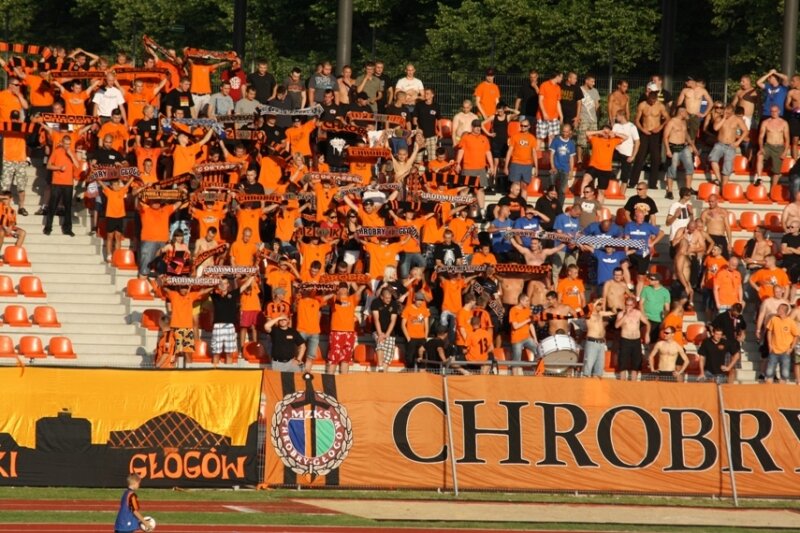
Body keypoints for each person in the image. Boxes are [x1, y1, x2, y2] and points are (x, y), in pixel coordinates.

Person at [630, 89, 670, 190]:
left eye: (654, 100)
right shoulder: (642, 105)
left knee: (655, 159)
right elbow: (637, 120)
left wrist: (660, 127)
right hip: (645, 132)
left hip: (655, 133)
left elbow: (667, 118)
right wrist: (642, 129)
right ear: (648, 98)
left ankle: (653, 184)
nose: (652, 102)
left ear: (656, 99)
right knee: (639, 158)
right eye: (650, 100)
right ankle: (633, 182)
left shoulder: (660, 106)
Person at [44, 135, 80, 237]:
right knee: (52, 206)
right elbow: (48, 166)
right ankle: (48, 227)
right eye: (66, 144)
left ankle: (67, 229)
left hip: (68, 184)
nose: (67, 146)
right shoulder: (56, 152)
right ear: (62, 143)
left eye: (69, 144)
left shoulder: (72, 153)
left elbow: (78, 166)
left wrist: (71, 155)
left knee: (68, 207)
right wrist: (59, 168)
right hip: (57, 183)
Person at [581, 125, 626, 201]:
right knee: (585, 179)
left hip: (606, 169)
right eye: (604, 131)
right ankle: (582, 198)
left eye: (607, 132)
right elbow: (587, 133)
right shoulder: (595, 139)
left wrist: (614, 133)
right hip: (594, 166)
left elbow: (626, 137)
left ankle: (598, 206)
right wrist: (600, 132)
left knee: (601, 191)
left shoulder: (613, 141)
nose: (605, 133)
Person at [708, 104, 748, 187]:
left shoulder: (737, 119)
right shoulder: (719, 118)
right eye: (725, 112)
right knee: (713, 159)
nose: (727, 114)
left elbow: (745, 131)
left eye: (729, 113)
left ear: (733, 112)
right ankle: (719, 180)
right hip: (720, 144)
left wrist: (738, 142)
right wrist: (723, 118)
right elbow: (716, 128)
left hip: (730, 146)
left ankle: (723, 187)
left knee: (727, 168)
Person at [663, 106, 698, 196]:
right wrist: (667, 150)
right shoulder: (672, 122)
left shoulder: (684, 122)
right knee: (672, 168)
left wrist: (693, 146)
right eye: (686, 112)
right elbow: (665, 136)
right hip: (674, 146)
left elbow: (686, 134)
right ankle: (669, 191)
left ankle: (688, 188)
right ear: (681, 112)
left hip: (683, 146)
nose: (687, 114)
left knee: (690, 167)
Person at [755, 104, 790, 191]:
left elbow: (787, 138)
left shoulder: (784, 123)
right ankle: (759, 177)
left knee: (776, 171)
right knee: (759, 155)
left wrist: (785, 151)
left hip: (779, 147)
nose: (774, 113)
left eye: (775, 111)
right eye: (772, 111)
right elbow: (760, 136)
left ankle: (773, 190)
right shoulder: (766, 122)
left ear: (779, 111)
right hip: (768, 145)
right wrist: (761, 147)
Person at [615, 296, 649, 380]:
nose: (628, 307)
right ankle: (622, 381)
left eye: (630, 305)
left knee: (636, 363)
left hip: (636, 340)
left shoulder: (638, 313)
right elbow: (617, 326)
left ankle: (633, 383)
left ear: (633, 305)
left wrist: (647, 334)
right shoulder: (621, 314)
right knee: (623, 362)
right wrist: (625, 315)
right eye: (627, 305)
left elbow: (648, 323)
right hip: (625, 340)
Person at [766, 303, 798, 383]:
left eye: (779, 308)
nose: (777, 309)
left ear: (784, 311)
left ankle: (782, 385)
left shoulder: (790, 322)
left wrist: (791, 348)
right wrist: (769, 344)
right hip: (774, 349)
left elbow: (796, 335)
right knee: (769, 371)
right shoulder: (774, 319)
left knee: (785, 373)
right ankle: (768, 385)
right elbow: (769, 332)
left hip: (785, 351)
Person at [583, 298, 614, 378]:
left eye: (601, 305)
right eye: (598, 305)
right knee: (589, 364)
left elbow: (613, 312)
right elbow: (587, 310)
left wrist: (612, 303)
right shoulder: (588, 315)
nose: (600, 306)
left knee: (599, 366)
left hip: (601, 342)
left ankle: (597, 380)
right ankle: (586, 380)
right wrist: (596, 302)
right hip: (592, 342)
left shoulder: (600, 314)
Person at [612, 109, 640, 193]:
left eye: (617, 116)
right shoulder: (616, 126)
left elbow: (637, 142)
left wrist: (633, 156)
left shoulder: (632, 127)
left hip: (627, 153)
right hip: (616, 151)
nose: (615, 117)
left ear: (622, 116)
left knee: (625, 175)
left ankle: (622, 193)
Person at [640, 273, 670, 344]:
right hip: (645, 317)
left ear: (657, 281)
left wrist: (664, 320)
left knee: (652, 340)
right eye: (649, 278)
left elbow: (667, 308)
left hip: (657, 319)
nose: (649, 280)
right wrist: (643, 315)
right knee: (643, 337)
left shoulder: (665, 292)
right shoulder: (646, 289)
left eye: (652, 279)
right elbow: (641, 303)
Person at [549, 123, 576, 201]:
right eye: (564, 131)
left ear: (570, 132)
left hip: (565, 169)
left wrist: (571, 171)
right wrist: (552, 167)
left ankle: (559, 206)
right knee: (551, 188)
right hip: (556, 168)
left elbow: (571, 158)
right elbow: (551, 155)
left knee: (562, 191)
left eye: (567, 132)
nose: (565, 133)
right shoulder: (556, 140)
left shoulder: (571, 143)